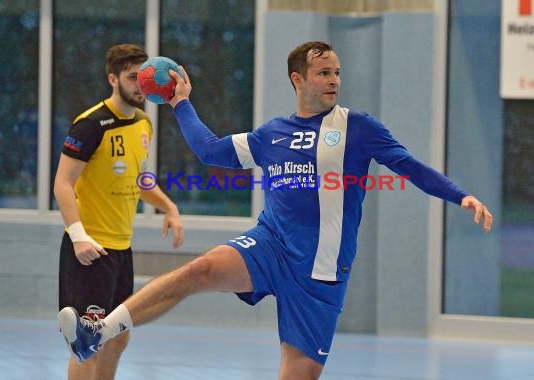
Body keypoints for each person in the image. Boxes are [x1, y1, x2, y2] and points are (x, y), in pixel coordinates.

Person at [57, 41, 492, 379]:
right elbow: (211, 150)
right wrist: (180, 103)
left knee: (298, 373)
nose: (334, 80)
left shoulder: (358, 128)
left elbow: (409, 167)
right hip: (269, 245)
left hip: (319, 271)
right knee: (199, 270)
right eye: (323, 72)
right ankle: (98, 332)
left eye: (337, 72)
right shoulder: (273, 135)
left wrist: (460, 195)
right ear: (297, 79)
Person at [54, 43, 184, 380]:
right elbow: (62, 184)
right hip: (90, 250)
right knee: (87, 344)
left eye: (143, 78)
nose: (141, 87)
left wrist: (168, 206)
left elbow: (138, 180)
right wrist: (78, 237)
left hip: (121, 248)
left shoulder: (143, 123)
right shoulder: (90, 124)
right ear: (113, 78)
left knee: (118, 336)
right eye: (131, 78)